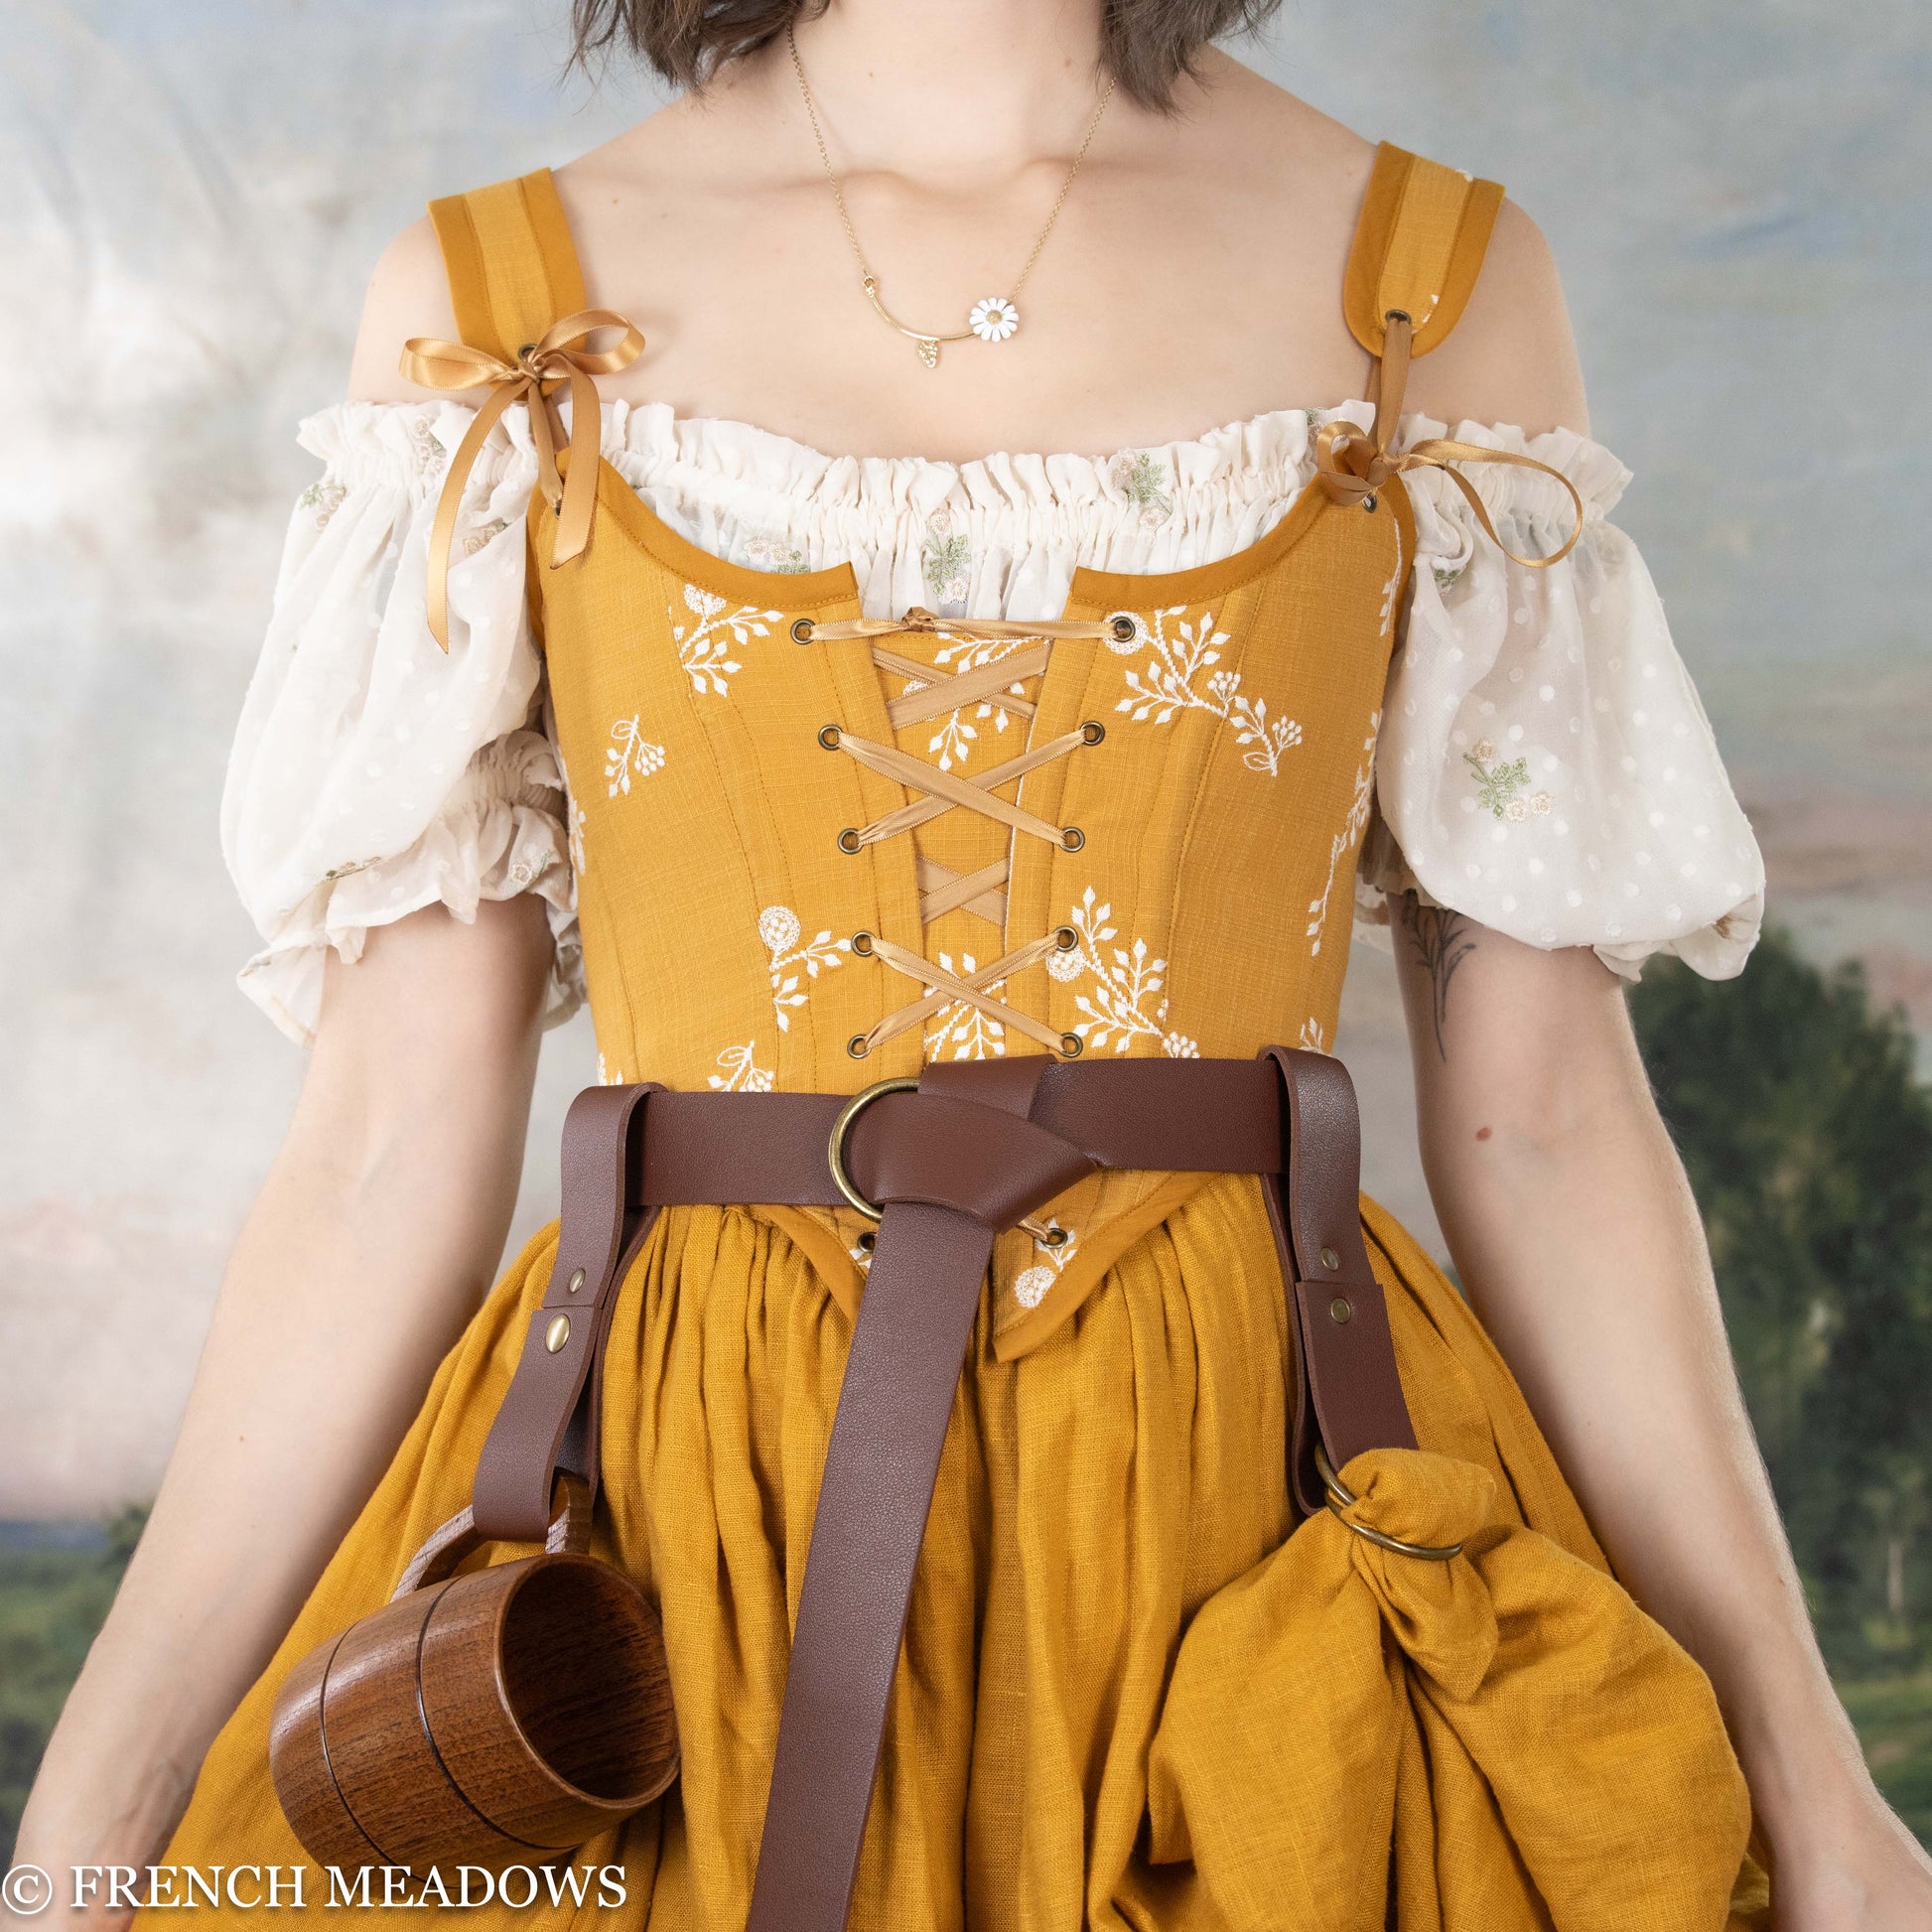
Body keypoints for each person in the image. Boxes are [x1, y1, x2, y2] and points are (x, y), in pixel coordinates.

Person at [16, 2, 1932, 1926]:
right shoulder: (497, 305)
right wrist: (89, 1823)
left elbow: (1551, 1126)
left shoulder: (1426, 281)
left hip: (1247, 1476)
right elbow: (375, 1149)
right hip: (692, 1494)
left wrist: (1807, 1763)